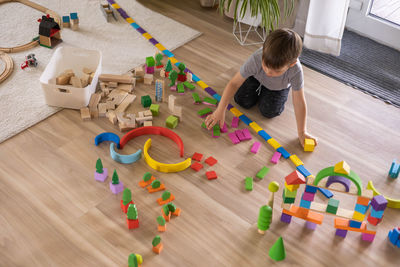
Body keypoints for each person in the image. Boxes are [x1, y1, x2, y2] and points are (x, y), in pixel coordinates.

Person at [205, 28, 317, 147]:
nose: (268, 72)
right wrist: (220, 109)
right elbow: (233, 83)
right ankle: (257, 86)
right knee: (241, 100)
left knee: (269, 112)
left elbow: (299, 101)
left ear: (291, 64)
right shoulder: (257, 58)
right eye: (265, 65)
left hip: (278, 88)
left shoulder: (296, 71)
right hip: (256, 79)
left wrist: (302, 132)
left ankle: (268, 93)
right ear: (263, 50)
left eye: (276, 71)